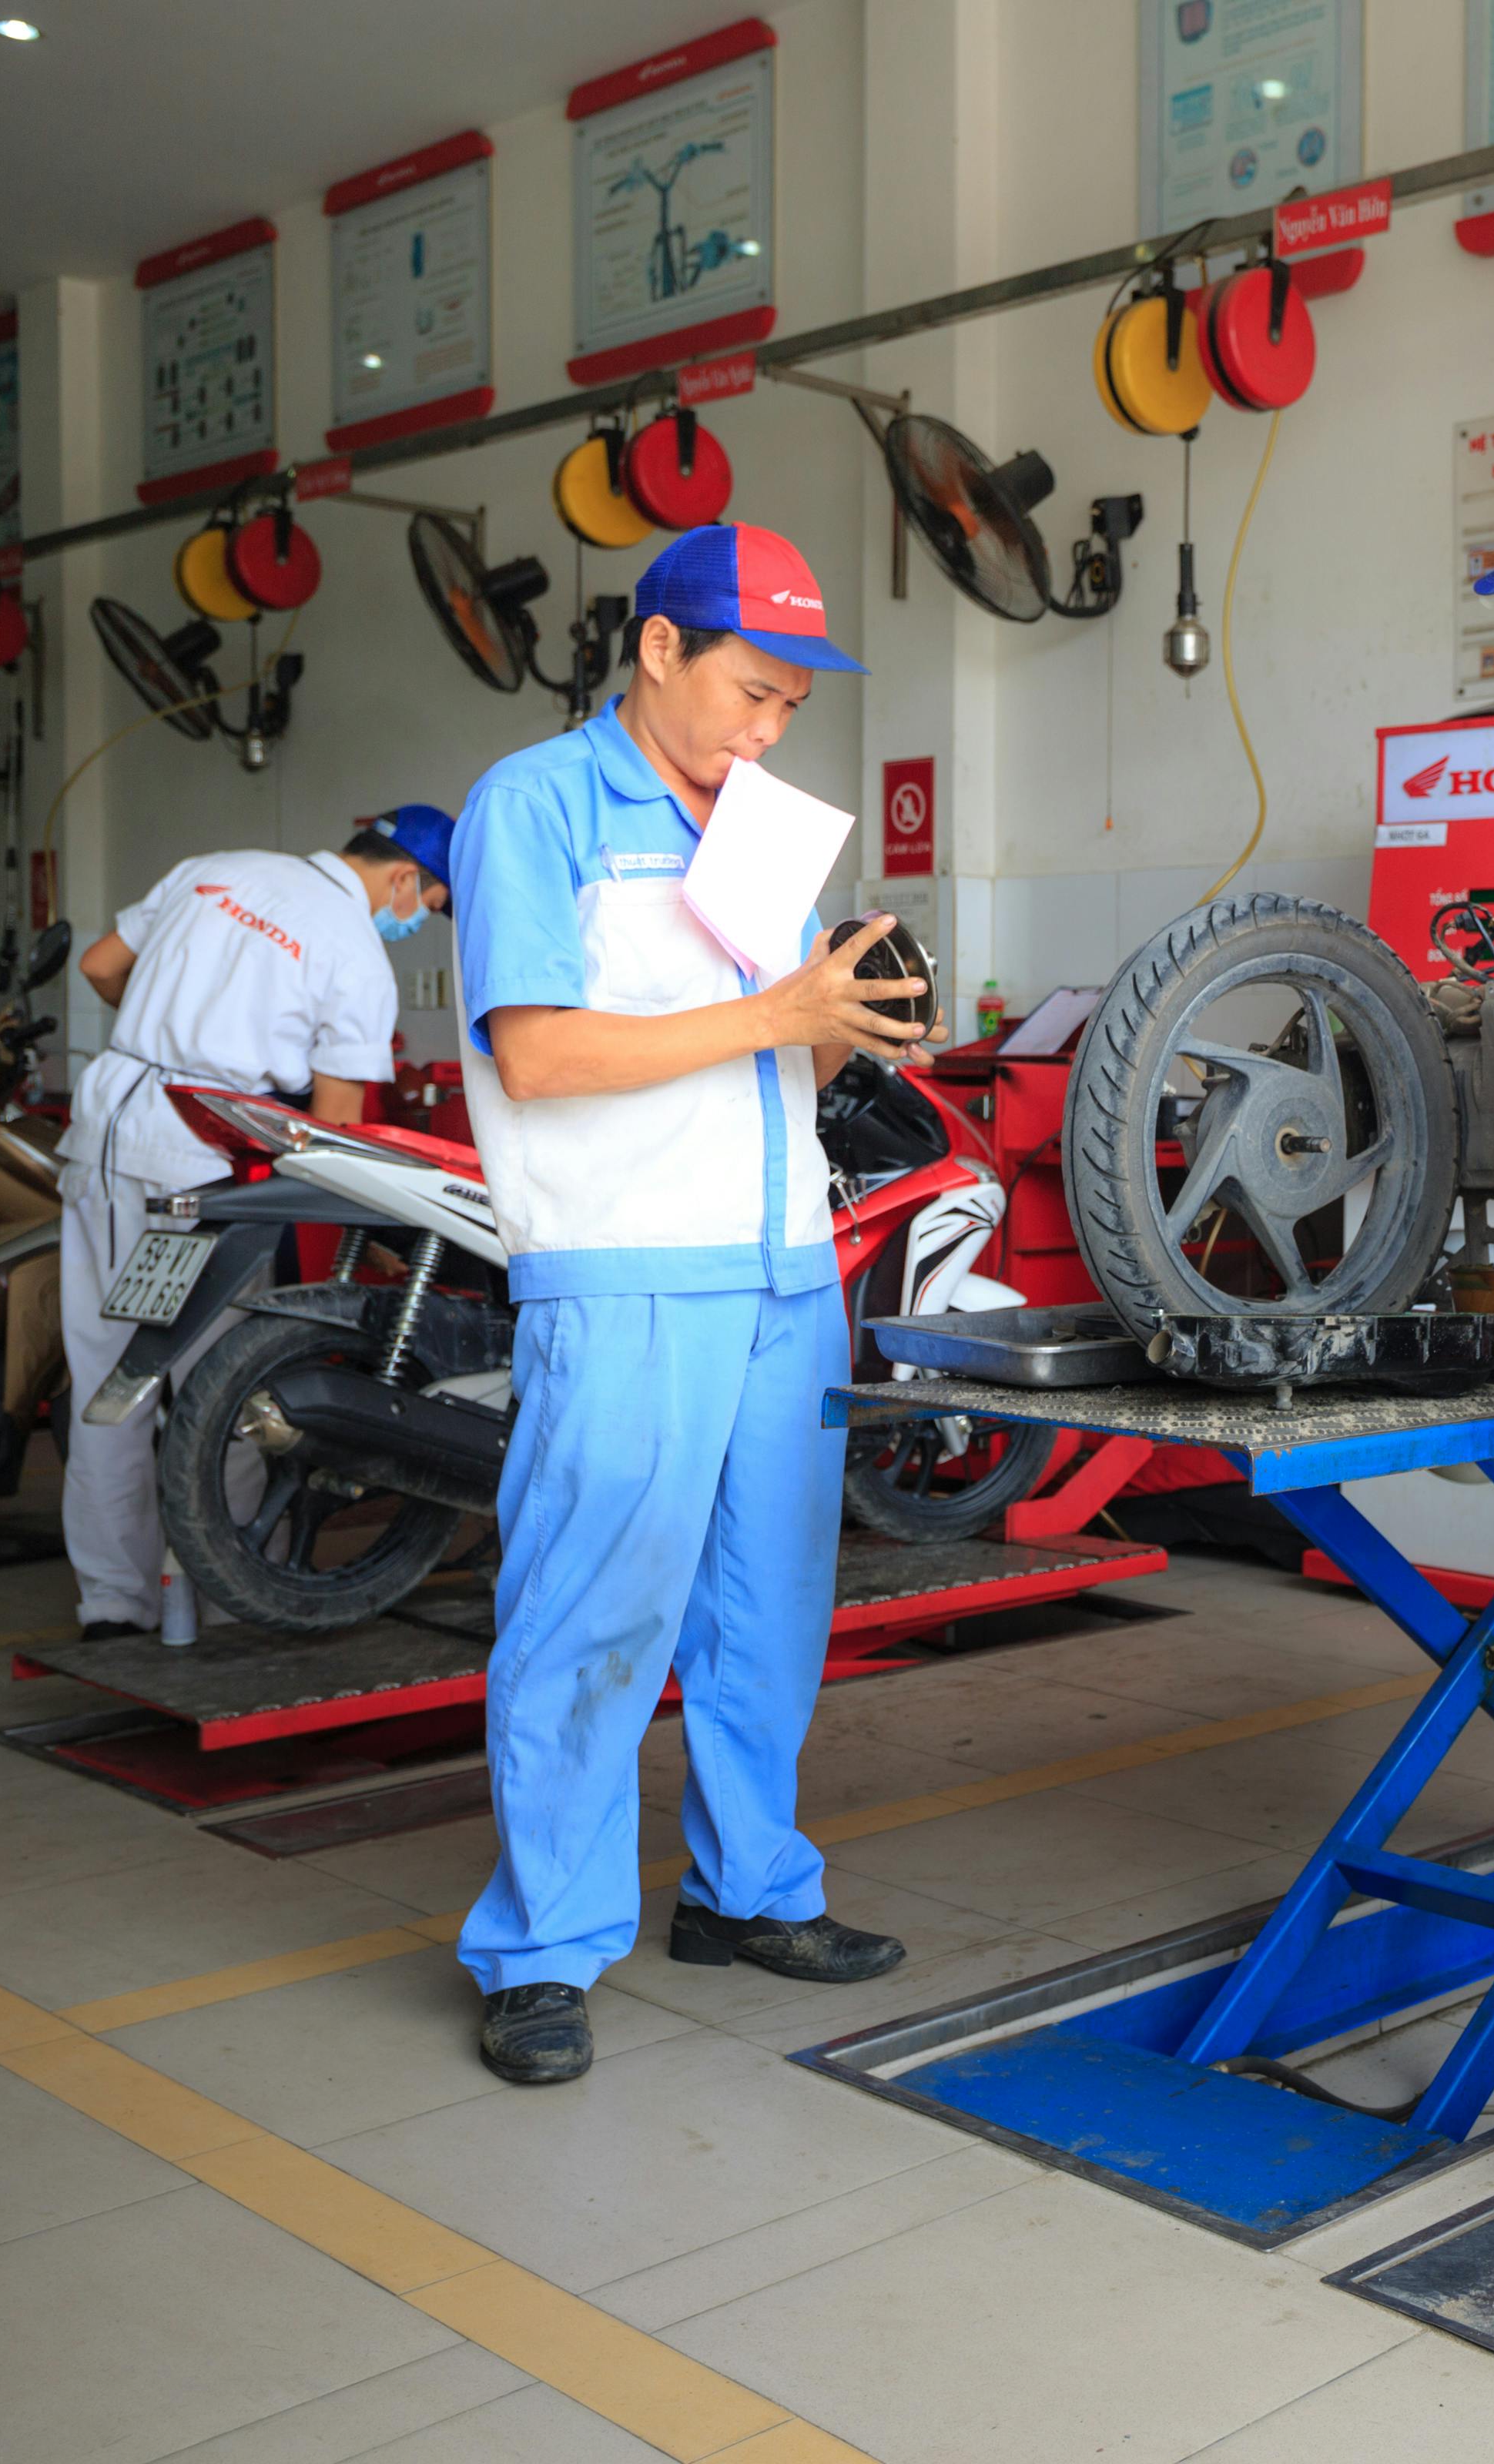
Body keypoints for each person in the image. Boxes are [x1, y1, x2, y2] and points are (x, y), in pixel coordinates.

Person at [446, 522, 931, 2087]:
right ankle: (538, 1949)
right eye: (749, 691)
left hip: (787, 1261)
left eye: (792, 705)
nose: (768, 730)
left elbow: (776, 1055)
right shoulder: (538, 806)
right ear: (657, 649)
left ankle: (748, 1891)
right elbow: (538, 1053)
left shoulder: (763, 828)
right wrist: (779, 1008)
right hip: (626, 1263)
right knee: (591, 1615)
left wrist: (848, 1021)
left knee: (767, 1613)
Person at [54, 809, 451, 1639]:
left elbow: (99, 966)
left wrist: (182, 1028)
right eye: (429, 901)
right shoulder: (353, 948)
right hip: (199, 1156)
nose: (414, 922)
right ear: (405, 879)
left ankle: (112, 1604)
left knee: (108, 1380)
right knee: (221, 1387)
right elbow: (332, 1133)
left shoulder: (216, 860)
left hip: (104, 1126)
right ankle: (217, 1597)